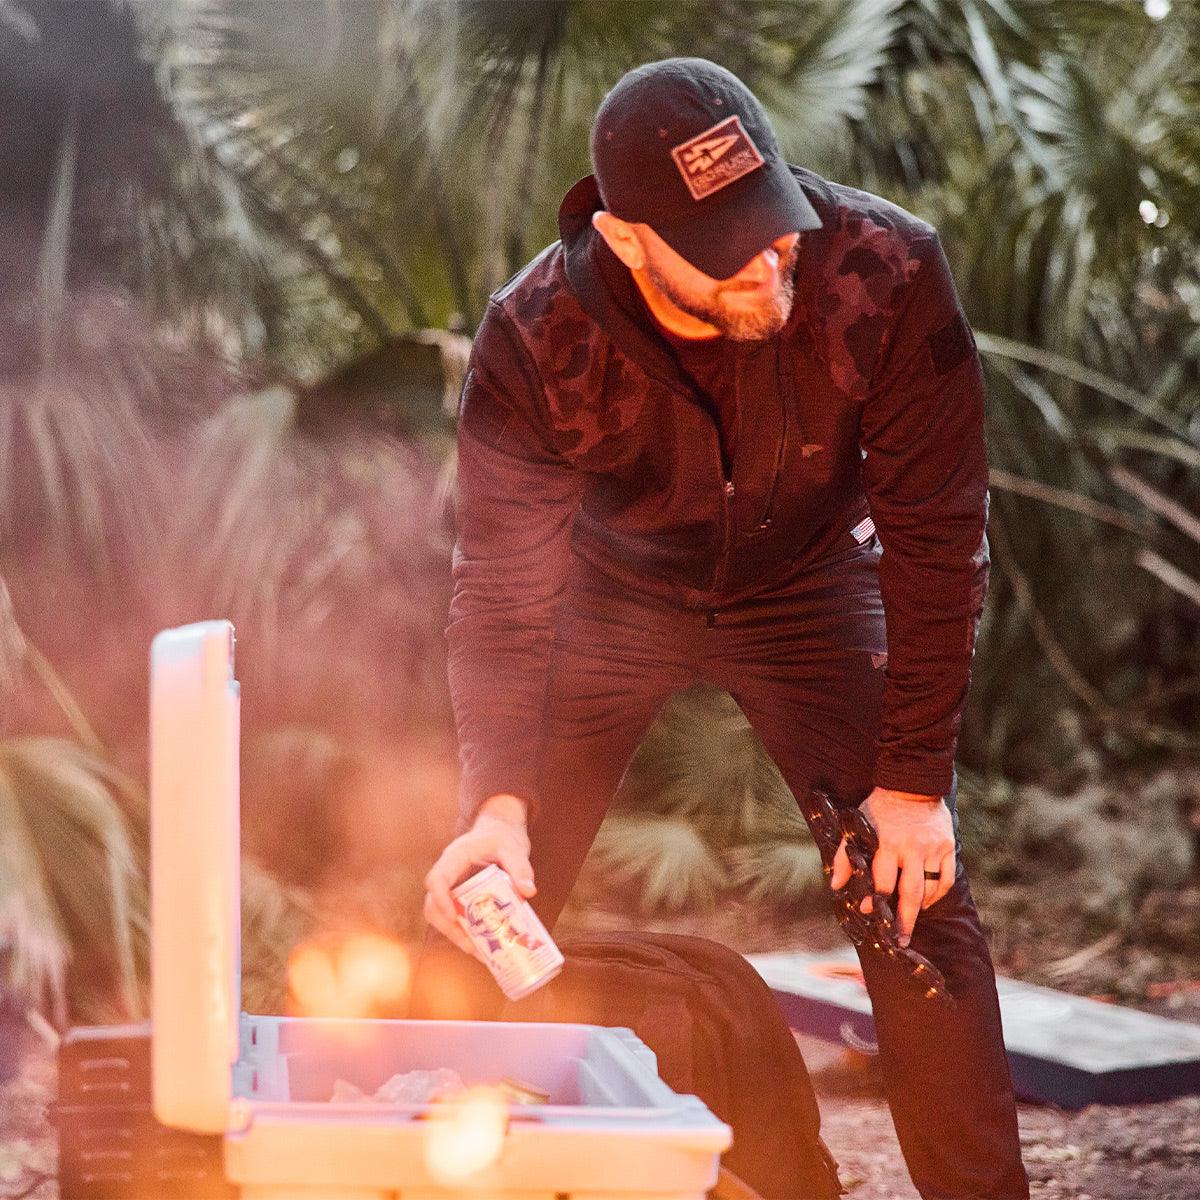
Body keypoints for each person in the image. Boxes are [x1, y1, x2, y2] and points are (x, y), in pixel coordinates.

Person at [408, 56, 1029, 1200]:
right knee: (499, 893)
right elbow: (500, 589)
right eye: (726, 245)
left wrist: (911, 782)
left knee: (915, 902)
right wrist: (496, 798)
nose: (770, 258)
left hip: (805, 586)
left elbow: (938, 535)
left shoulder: (884, 270)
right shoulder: (534, 335)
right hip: (609, 599)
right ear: (631, 241)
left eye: (772, 220)